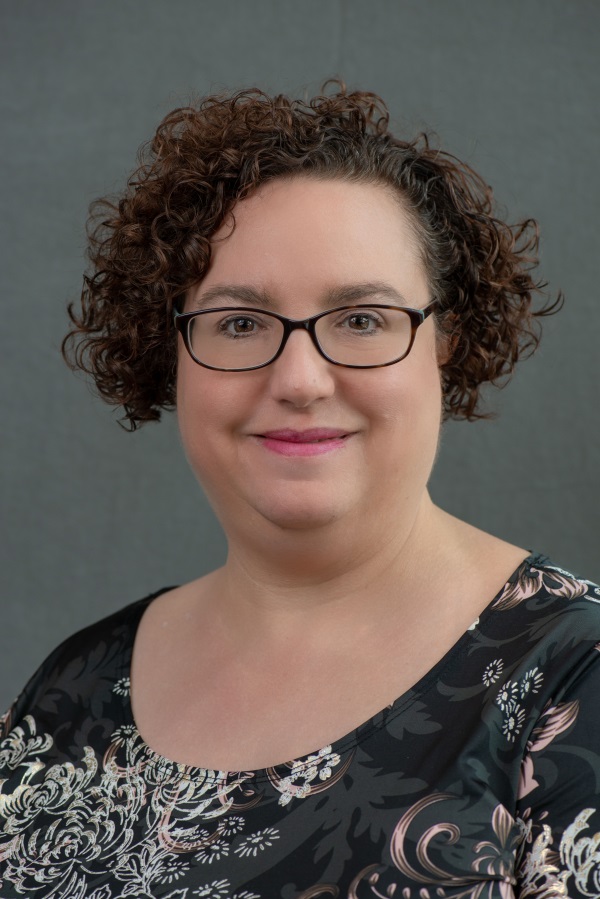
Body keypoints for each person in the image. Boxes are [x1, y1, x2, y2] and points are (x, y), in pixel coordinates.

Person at [0, 85, 598, 899]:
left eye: (361, 319)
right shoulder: (73, 686)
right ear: (169, 351)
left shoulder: (575, 678)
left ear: (445, 344)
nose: (300, 378)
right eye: (240, 323)